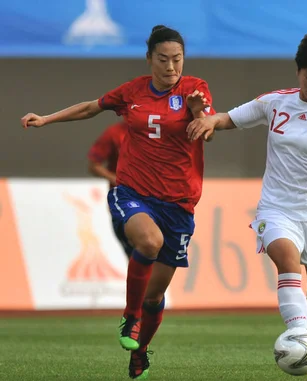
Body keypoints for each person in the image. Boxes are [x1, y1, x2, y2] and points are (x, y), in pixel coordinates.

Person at [21, 25, 214, 379]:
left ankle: (139, 352)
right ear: (149, 59)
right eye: (163, 59)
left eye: (178, 59)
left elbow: (207, 131)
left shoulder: (194, 90)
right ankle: (130, 316)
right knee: (148, 241)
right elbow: (90, 108)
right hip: (133, 191)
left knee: (155, 297)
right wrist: (46, 119)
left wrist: (199, 114)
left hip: (180, 204)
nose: (172, 67)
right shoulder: (132, 92)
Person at [187, 29, 307, 376]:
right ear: (298, 73)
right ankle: (298, 336)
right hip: (277, 207)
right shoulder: (275, 102)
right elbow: (229, 119)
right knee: (285, 257)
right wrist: (207, 119)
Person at [88, 120, 131, 257]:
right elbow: (94, 165)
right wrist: (118, 179)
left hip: (154, 198)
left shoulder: (156, 132)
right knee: (136, 251)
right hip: (124, 199)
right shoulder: (114, 133)